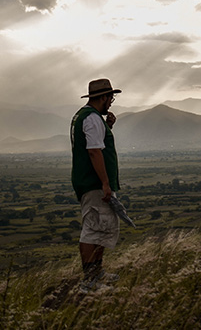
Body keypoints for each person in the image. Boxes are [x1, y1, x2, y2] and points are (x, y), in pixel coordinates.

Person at [70, 78, 123, 291]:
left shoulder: (87, 117)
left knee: (101, 226)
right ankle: (90, 281)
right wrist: (105, 183)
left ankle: (96, 273)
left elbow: (94, 143)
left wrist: (107, 126)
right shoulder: (91, 118)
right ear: (102, 97)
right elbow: (93, 151)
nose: (111, 101)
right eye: (110, 97)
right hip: (93, 184)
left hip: (91, 182)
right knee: (92, 228)